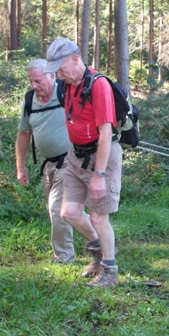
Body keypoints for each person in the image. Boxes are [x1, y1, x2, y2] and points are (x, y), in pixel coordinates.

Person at [44, 37, 122, 287]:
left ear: (76, 59)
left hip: (101, 157)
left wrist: (99, 174)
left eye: (61, 67)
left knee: (99, 218)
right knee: (69, 212)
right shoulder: (66, 85)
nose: (58, 74)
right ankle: (98, 253)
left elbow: (106, 133)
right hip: (75, 156)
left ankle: (110, 272)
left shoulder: (98, 85)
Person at [16, 59, 98, 264]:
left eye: (38, 81)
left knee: (58, 208)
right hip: (49, 164)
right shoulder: (30, 100)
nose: (34, 86)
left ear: (52, 76)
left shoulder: (66, 92)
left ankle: (64, 256)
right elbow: (24, 134)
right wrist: (20, 166)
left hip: (71, 161)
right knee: (67, 212)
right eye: (31, 82)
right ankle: (104, 239)